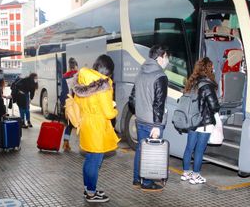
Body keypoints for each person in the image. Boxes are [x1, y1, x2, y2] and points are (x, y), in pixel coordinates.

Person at [73, 54, 119, 203]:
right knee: (95, 161)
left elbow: (78, 104)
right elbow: (108, 113)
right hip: (98, 128)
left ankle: (88, 189)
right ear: (108, 70)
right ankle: (91, 194)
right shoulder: (104, 85)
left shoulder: (83, 81)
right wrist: (115, 108)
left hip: (87, 125)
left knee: (89, 160)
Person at [129, 44, 170, 191]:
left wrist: (140, 111)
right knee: (151, 153)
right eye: (166, 57)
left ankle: (136, 179)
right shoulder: (160, 76)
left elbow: (132, 99)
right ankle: (146, 182)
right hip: (153, 122)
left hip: (140, 119)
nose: (168, 60)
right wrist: (157, 126)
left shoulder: (140, 72)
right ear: (160, 57)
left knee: (141, 150)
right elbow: (159, 104)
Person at [180, 57, 220, 184]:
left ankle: (186, 173)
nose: (213, 69)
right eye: (212, 67)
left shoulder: (192, 82)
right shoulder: (207, 85)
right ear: (208, 68)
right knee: (199, 150)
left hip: (192, 121)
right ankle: (196, 176)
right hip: (204, 123)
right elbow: (214, 106)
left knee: (189, 148)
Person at [60, 57, 79, 151]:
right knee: (81, 123)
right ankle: (85, 144)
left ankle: (66, 143)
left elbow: (63, 92)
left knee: (69, 124)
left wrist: (63, 104)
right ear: (76, 65)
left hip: (68, 103)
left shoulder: (64, 76)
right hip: (78, 103)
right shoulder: (79, 75)